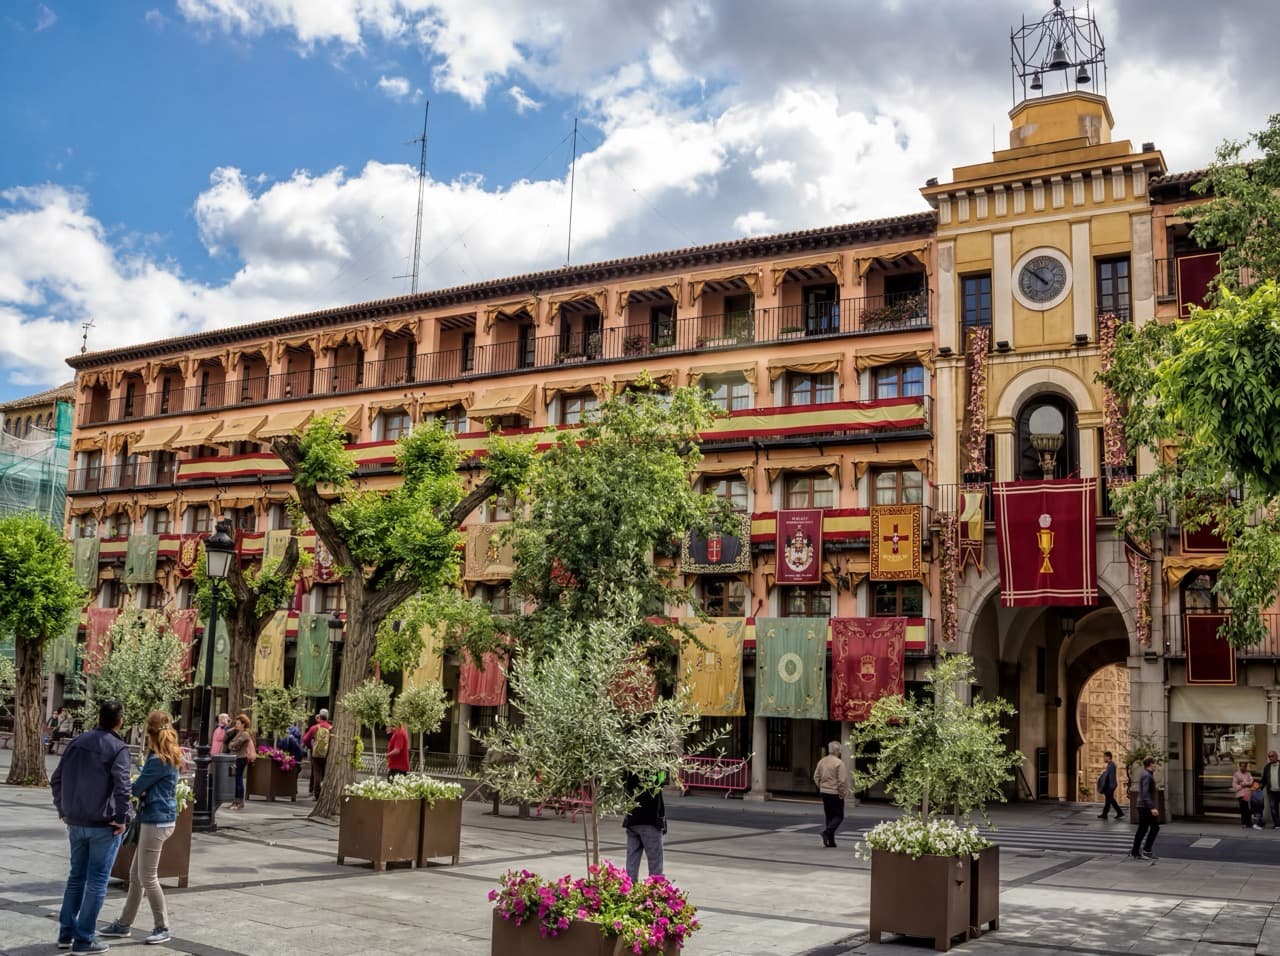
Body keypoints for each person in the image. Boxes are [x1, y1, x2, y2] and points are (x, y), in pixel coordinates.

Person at [50, 699, 131, 955]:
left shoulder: (77, 742)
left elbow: (56, 778)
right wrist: (122, 817)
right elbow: (123, 786)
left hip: (76, 820)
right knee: (96, 881)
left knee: (76, 877)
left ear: (99, 717)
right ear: (120, 721)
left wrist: (63, 809)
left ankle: (66, 934)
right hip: (103, 824)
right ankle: (84, 939)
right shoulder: (118, 748)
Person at [99, 711, 181, 946]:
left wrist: (139, 788)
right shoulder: (168, 755)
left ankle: (162, 926)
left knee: (147, 876)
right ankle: (124, 923)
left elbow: (137, 788)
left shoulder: (157, 760)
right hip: (159, 818)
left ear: (150, 732)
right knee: (136, 876)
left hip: (156, 820)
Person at [623, 770, 667, 883]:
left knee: (632, 861)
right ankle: (655, 892)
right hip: (650, 820)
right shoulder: (656, 769)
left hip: (632, 819)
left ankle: (629, 890)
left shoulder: (629, 769)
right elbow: (661, 781)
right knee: (655, 864)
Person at [813, 741, 848, 847]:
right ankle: (827, 833)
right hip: (835, 792)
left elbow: (816, 776)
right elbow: (842, 781)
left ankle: (830, 841)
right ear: (838, 751)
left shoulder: (822, 761)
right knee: (839, 816)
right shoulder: (839, 763)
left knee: (829, 816)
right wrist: (842, 793)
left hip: (824, 792)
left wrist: (821, 786)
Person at [1129, 755, 1160, 861]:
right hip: (1145, 806)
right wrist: (1152, 807)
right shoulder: (1147, 775)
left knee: (1148, 828)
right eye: (1154, 763)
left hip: (1144, 805)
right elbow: (1145, 793)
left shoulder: (1147, 774)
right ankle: (1140, 852)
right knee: (1147, 829)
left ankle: (1141, 851)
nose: (1155, 765)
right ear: (1151, 764)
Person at [225, 713, 256, 810]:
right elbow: (229, 742)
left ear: (243, 724)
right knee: (235, 780)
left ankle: (240, 802)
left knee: (238, 780)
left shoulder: (245, 734)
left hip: (241, 758)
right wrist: (232, 744)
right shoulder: (238, 733)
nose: (236, 725)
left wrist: (232, 745)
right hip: (236, 757)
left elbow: (235, 745)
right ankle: (235, 801)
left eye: (238, 723)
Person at [302, 709, 332, 798]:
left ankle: (317, 793)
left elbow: (305, 739)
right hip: (327, 754)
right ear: (327, 717)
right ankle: (324, 792)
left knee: (316, 772)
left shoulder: (314, 728)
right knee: (324, 772)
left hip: (315, 754)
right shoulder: (330, 728)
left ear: (320, 716)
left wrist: (311, 747)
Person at [1096, 751, 1123, 820]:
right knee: (1108, 800)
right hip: (1109, 786)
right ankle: (1105, 814)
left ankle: (1119, 812)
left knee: (1110, 799)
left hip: (1110, 786)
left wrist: (1111, 787)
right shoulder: (1110, 764)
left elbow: (1111, 776)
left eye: (1104, 757)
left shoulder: (1111, 765)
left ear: (1108, 757)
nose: (1104, 758)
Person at [1232, 760, 1258, 829]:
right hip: (1240, 794)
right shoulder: (1236, 774)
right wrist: (1242, 786)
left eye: (1245, 766)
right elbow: (1235, 785)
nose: (1243, 768)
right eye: (1242, 766)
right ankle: (1244, 822)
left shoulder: (1248, 774)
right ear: (1240, 766)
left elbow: (1251, 782)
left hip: (1248, 793)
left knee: (1248, 808)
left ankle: (1248, 822)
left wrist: (1243, 783)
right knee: (1243, 808)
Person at [1261, 750, 1280, 829]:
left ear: (1277, 756)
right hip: (1272, 792)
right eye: (1269, 756)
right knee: (1273, 808)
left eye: (1272, 756)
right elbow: (1264, 780)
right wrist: (1259, 787)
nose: (1271, 758)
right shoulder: (1267, 767)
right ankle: (1277, 824)